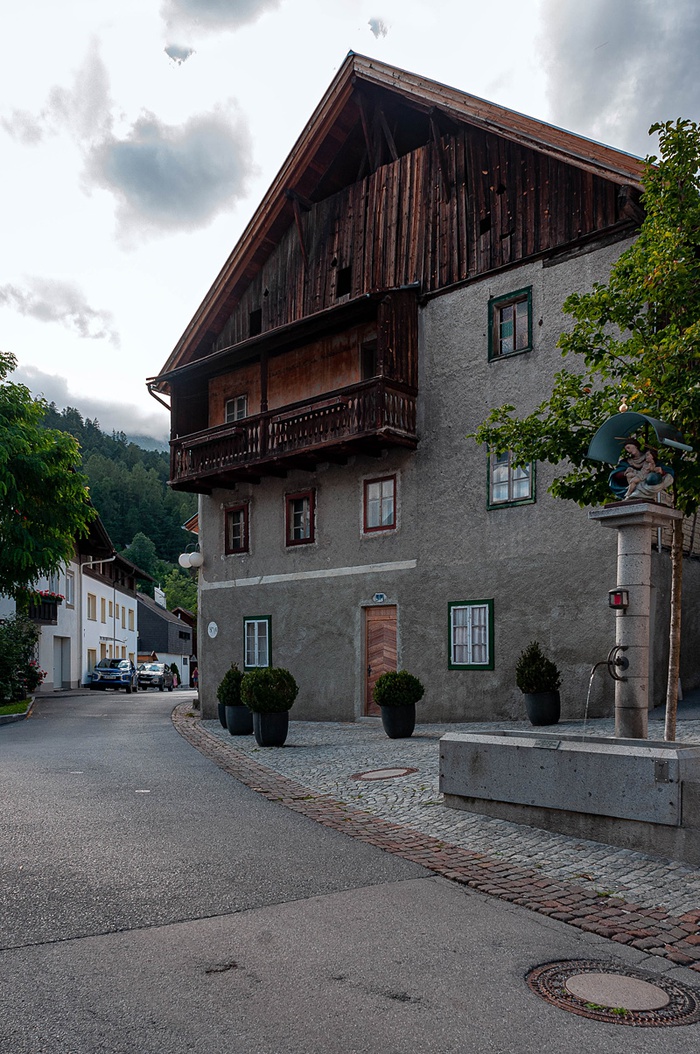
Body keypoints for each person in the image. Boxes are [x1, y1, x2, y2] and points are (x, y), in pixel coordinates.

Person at [609, 437, 673, 500]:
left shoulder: (649, 457)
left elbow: (663, 469)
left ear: (635, 446)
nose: (628, 451)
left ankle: (632, 493)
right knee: (630, 476)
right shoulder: (627, 462)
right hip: (638, 475)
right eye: (626, 449)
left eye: (629, 447)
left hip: (646, 478)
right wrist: (626, 472)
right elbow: (616, 474)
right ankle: (630, 493)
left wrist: (659, 471)